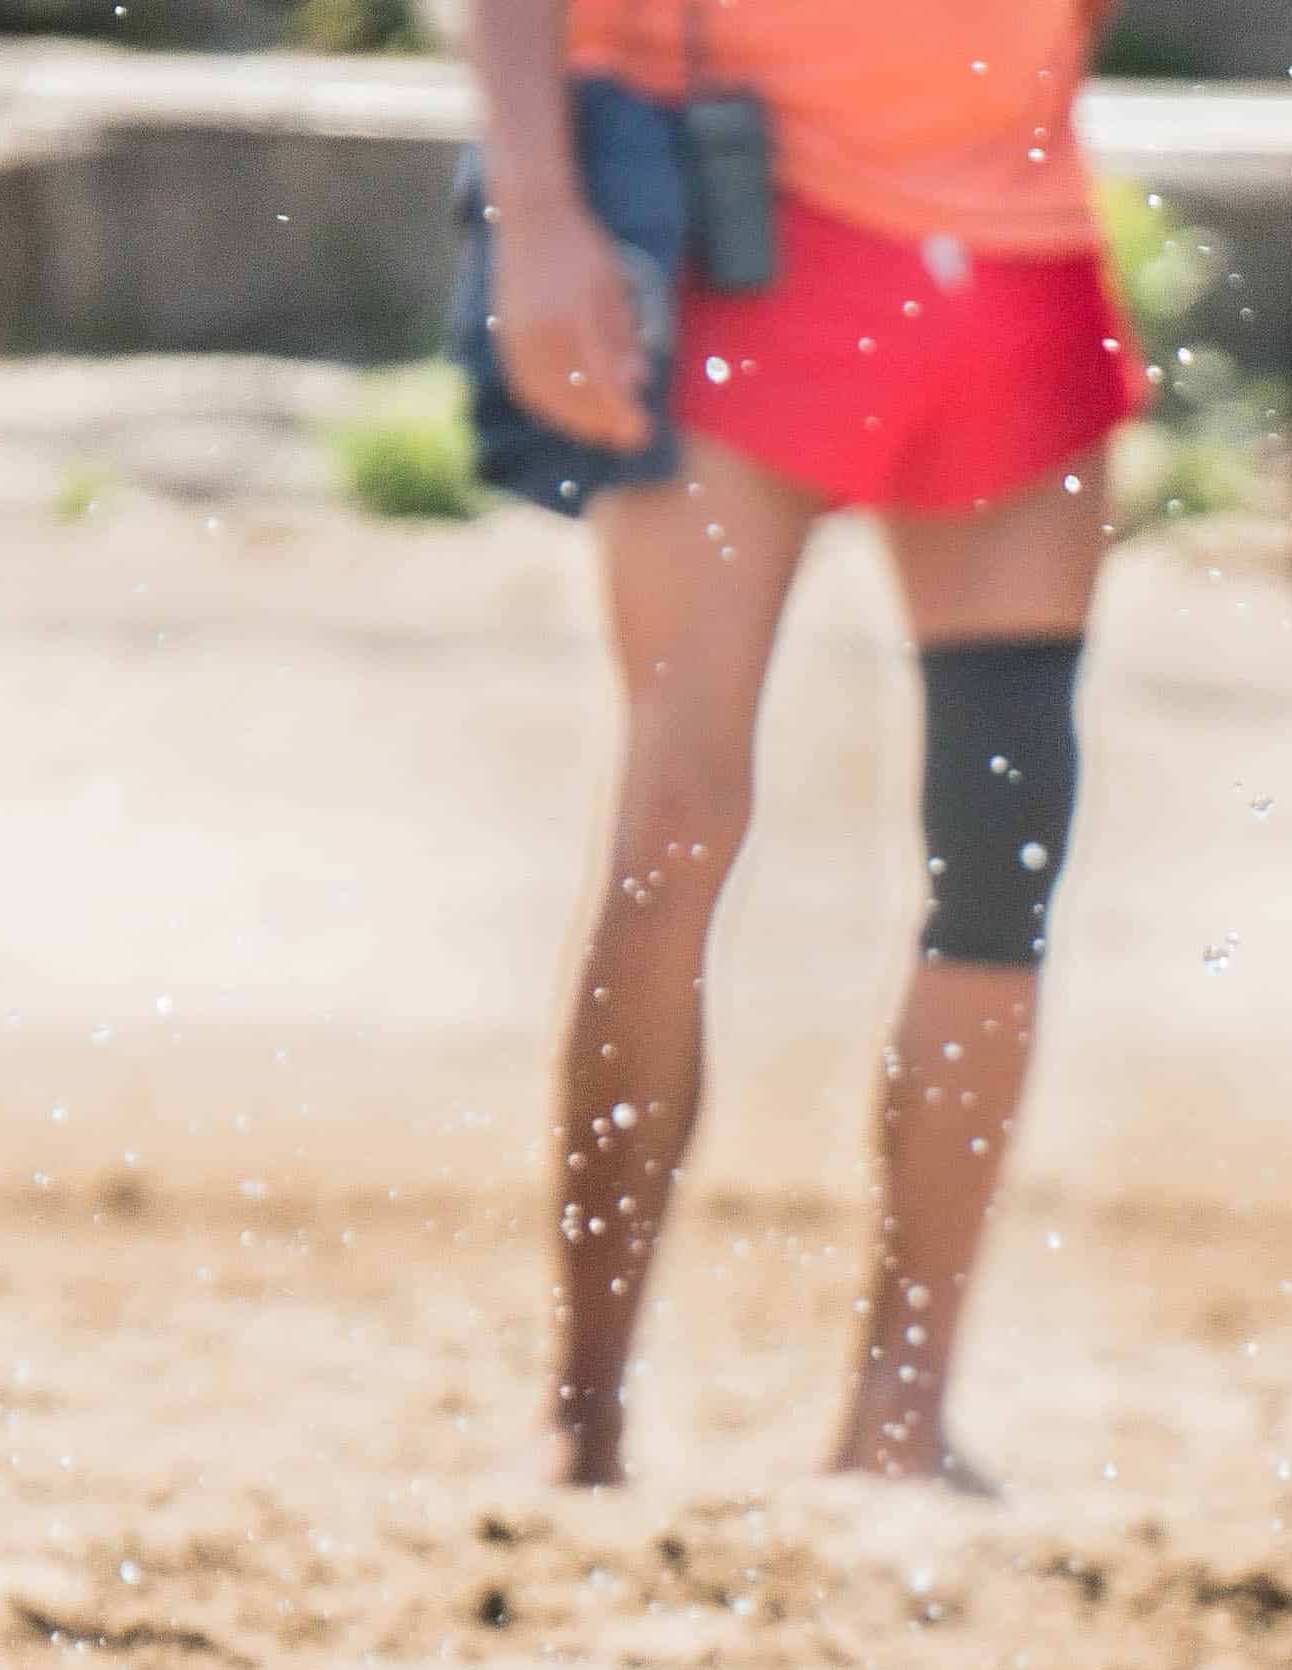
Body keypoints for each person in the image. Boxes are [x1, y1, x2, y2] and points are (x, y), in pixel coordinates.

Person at [460, 0, 1141, 1492]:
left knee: (1003, 848)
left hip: (1016, 266)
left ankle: (901, 1418)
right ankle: (585, 1422)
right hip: (737, 238)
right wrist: (540, 213)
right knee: (677, 826)